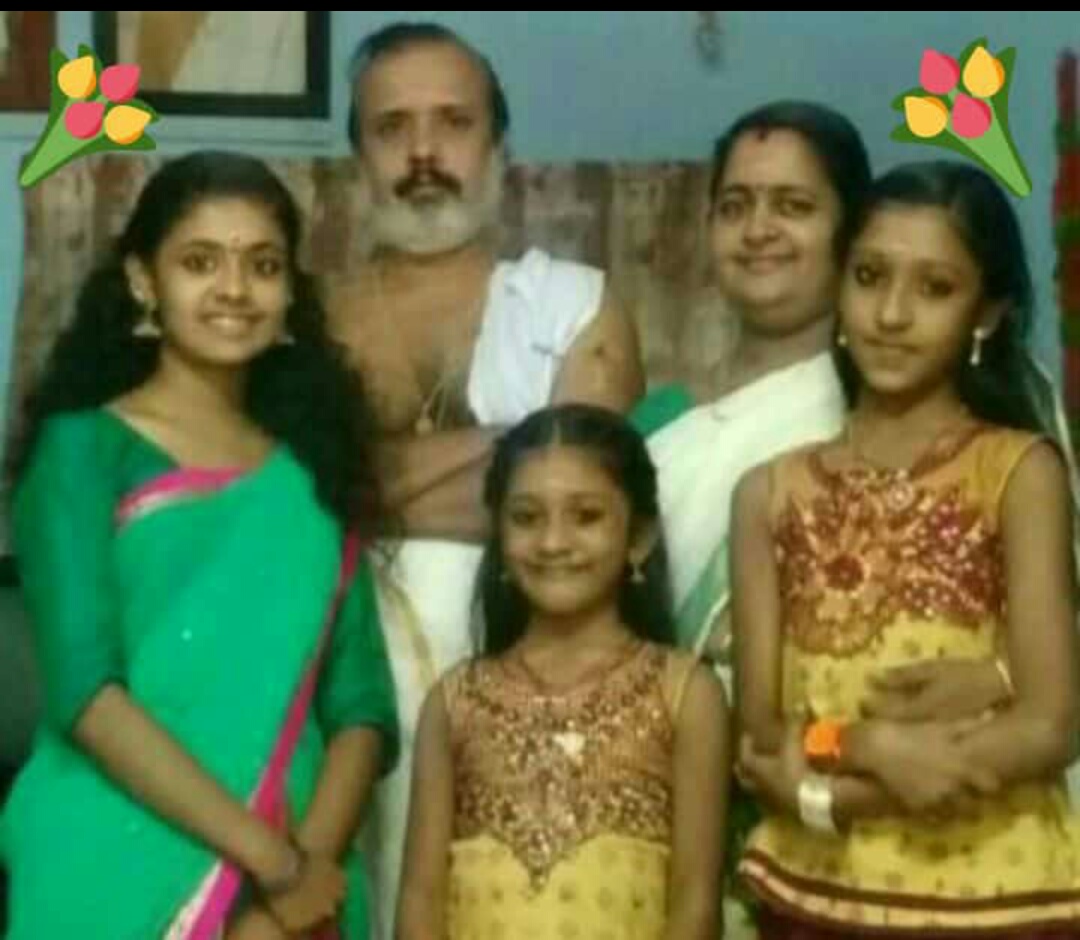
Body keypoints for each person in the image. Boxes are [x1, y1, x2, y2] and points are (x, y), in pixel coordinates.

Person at [0, 151, 398, 939]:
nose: (234, 289)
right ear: (143, 281)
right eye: (199, 262)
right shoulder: (81, 451)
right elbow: (87, 694)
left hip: (298, 865)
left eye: (264, 265)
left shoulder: (313, 469)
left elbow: (361, 704)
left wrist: (298, 890)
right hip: (108, 855)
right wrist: (272, 864)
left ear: (290, 292)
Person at [331, 22, 645, 932]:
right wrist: (505, 447)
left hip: (540, 675)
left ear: (498, 148)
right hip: (351, 689)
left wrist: (371, 475)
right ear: (358, 159)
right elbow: (303, 498)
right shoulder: (311, 323)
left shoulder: (573, 302)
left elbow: (578, 505)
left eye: (453, 123)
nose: (424, 153)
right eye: (392, 127)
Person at [734, 161, 1080, 937]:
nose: (891, 314)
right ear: (838, 286)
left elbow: (1051, 723)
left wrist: (832, 791)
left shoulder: (1017, 472)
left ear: (986, 313)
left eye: (935, 288)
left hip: (1003, 898)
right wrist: (866, 745)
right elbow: (761, 733)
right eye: (869, 277)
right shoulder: (769, 493)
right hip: (813, 897)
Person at [396, 404, 728, 938]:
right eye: (526, 518)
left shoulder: (684, 694)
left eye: (586, 516)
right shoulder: (455, 702)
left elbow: (696, 904)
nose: (553, 542)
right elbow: (420, 901)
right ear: (499, 536)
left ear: (639, 537)